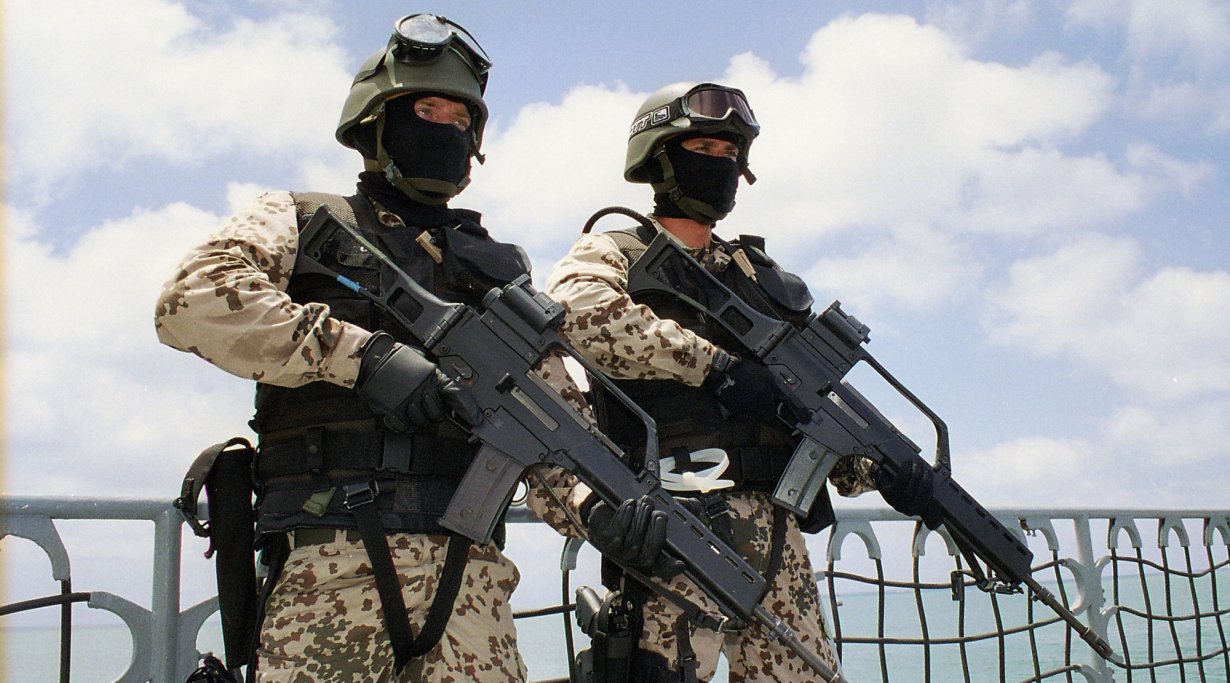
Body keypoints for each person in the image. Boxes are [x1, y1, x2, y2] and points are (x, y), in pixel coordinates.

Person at [156, 15, 533, 682]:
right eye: (426, 108)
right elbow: (193, 300)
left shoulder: (502, 273)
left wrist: (603, 512)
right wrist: (362, 357)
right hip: (331, 565)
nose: (444, 127)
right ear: (377, 124)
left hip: (470, 582)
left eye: (458, 116)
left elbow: (546, 415)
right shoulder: (299, 217)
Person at [537, 82, 942, 681]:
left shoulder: (758, 279)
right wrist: (716, 368)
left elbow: (807, 409)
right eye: (704, 146)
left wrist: (880, 471)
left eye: (730, 154)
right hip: (673, 525)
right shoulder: (617, 248)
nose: (720, 165)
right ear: (661, 157)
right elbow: (581, 314)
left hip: (777, 532)